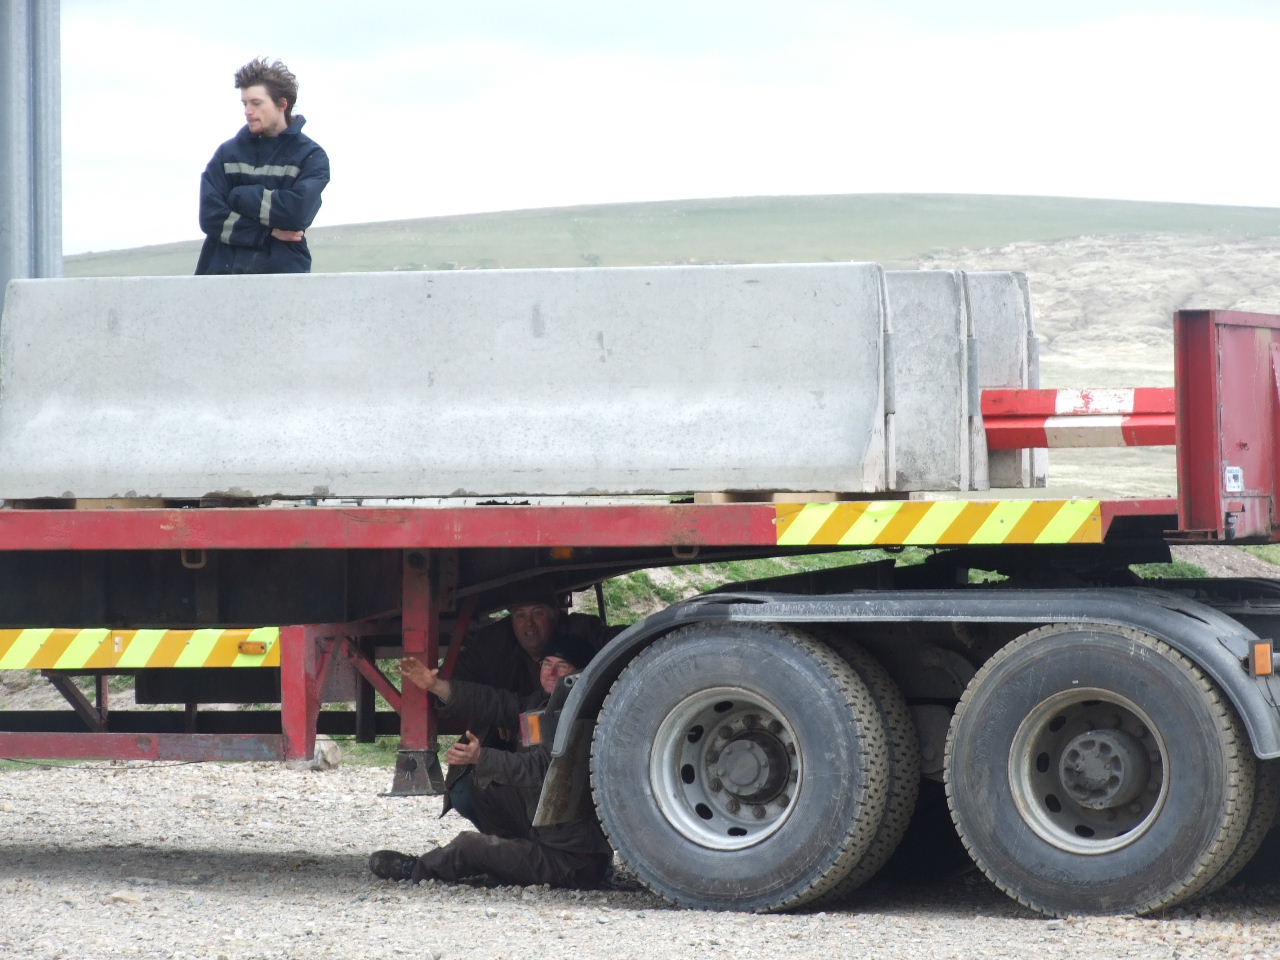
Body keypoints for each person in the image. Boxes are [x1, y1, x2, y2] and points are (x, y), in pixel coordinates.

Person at [368, 633, 612, 888]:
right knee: (487, 790)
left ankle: (418, 869)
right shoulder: (545, 703)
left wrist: (482, 756)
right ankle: (505, 857)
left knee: (469, 845)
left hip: (572, 862)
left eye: (561, 666)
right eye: (546, 663)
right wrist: (436, 686)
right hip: (555, 839)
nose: (550, 672)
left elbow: (541, 770)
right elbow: (495, 703)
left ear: (578, 674)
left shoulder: (577, 717)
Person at [195, 58, 330, 275]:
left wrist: (240, 195)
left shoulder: (310, 156)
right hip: (220, 279)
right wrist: (265, 233)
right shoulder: (226, 155)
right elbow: (211, 217)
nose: (248, 111)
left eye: (256, 103)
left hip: (282, 281)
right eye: (244, 103)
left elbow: (297, 215)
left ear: (282, 104)